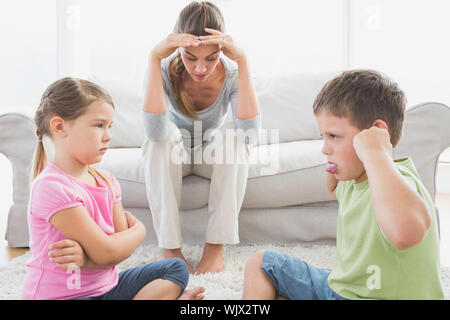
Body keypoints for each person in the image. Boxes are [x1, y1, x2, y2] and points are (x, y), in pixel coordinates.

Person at [242, 69, 444, 300]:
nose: (324, 148)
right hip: (343, 289)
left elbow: (405, 234)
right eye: (323, 137)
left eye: (334, 137)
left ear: (376, 133)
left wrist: (376, 153)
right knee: (261, 263)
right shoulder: (352, 179)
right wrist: (337, 163)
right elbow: (336, 190)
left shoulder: (399, 183)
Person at [22, 77, 205, 300]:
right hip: (64, 296)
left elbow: (117, 253)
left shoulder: (106, 181)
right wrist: (139, 230)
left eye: (109, 126)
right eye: (99, 125)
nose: (108, 136)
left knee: (175, 268)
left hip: (107, 289)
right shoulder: (52, 187)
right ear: (60, 127)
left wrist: (88, 259)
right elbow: (108, 251)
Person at [141, 1, 261, 274]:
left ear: (223, 50)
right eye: (190, 57)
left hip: (208, 153)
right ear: (177, 49)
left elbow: (250, 135)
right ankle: (170, 251)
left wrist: (243, 62)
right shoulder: (161, 69)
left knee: (233, 135)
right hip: (173, 153)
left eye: (211, 58)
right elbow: (155, 132)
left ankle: (214, 249)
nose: (200, 69)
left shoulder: (230, 75)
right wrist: (153, 58)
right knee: (160, 137)